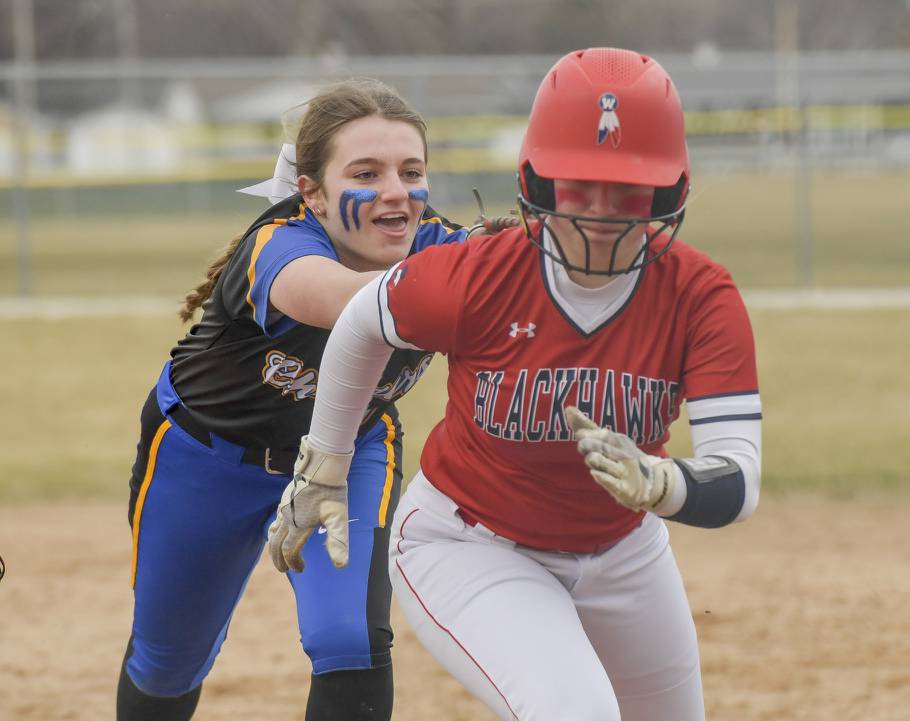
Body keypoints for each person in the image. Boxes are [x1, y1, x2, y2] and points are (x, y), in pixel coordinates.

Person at [270, 48, 763, 721]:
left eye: (627, 189)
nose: (600, 211)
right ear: (539, 182)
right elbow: (362, 322)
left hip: (625, 549)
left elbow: (738, 478)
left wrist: (662, 484)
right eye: (578, 184)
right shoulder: (481, 273)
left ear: (667, 193)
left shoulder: (699, 295)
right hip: (469, 541)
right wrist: (324, 463)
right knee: (576, 711)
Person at [117, 78, 499, 721]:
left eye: (411, 171)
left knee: (347, 638)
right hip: (204, 456)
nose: (396, 192)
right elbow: (353, 302)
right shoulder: (281, 245)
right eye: (366, 173)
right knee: (169, 657)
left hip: (351, 448)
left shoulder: (443, 248)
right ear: (312, 193)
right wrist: (487, 282)